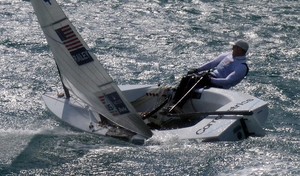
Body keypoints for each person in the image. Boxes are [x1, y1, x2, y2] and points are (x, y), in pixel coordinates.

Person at [172, 39, 250, 108]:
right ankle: (173, 101)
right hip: (209, 77)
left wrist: (210, 80)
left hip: (219, 84)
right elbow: (212, 64)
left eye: (234, 47)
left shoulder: (242, 67)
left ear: (240, 50)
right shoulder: (227, 55)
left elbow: (227, 81)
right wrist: (197, 70)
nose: (232, 48)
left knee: (193, 80)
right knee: (187, 77)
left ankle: (178, 105)